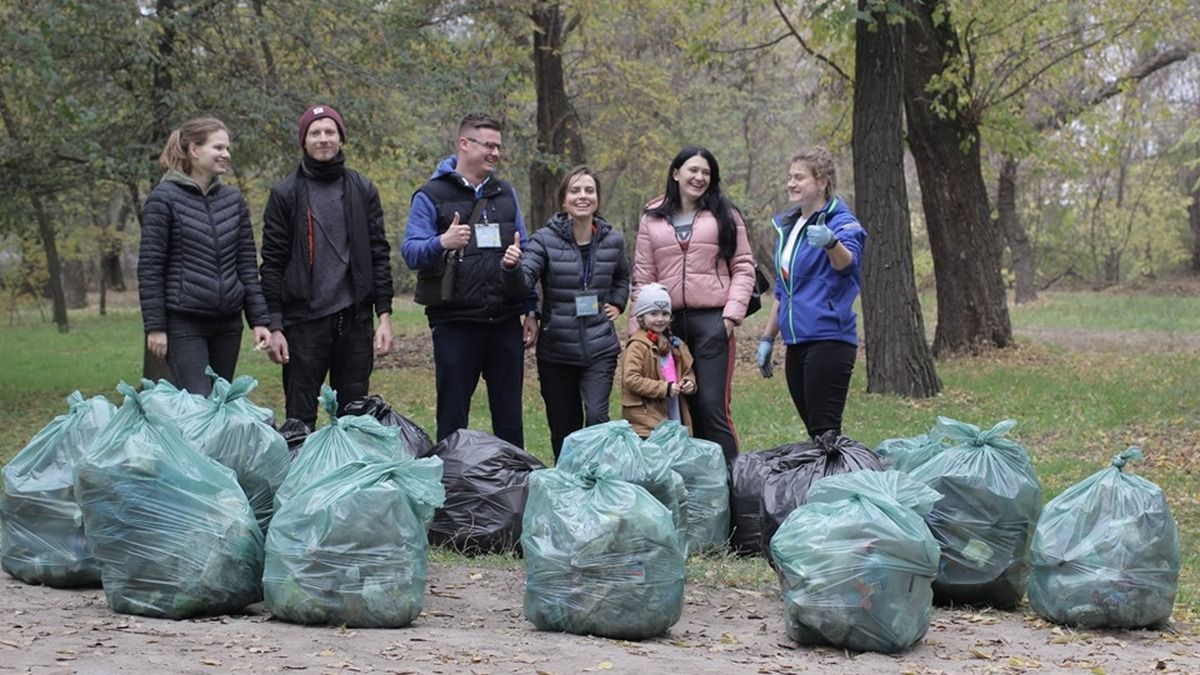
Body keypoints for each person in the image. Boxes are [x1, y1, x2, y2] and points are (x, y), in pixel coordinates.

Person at [402, 112, 537, 447]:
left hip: (504, 321)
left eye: (499, 147)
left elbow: (528, 249)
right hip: (455, 324)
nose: (495, 153)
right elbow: (410, 251)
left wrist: (531, 309)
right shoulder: (430, 194)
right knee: (452, 418)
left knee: (509, 419)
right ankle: (451, 490)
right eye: (488, 145)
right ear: (465, 144)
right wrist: (442, 242)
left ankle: (514, 487)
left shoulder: (506, 193)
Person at [259, 104, 394, 428]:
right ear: (304, 140)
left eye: (329, 132)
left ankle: (347, 479)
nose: (323, 139)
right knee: (300, 419)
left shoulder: (362, 189)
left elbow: (379, 253)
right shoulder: (285, 193)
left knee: (354, 419)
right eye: (315, 133)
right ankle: (299, 476)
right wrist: (275, 325)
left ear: (341, 138)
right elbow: (272, 262)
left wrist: (384, 317)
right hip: (303, 322)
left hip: (355, 322)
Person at [632, 146, 755, 464]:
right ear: (676, 173)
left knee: (711, 406)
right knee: (675, 407)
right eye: (693, 170)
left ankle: (730, 487)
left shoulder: (726, 214)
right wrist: (638, 334)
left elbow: (743, 267)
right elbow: (643, 277)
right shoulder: (652, 216)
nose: (699, 177)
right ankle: (693, 487)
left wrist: (729, 318)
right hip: (666, 328)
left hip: (713, 322)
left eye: (706, 172)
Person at [501, 166, 630, 459]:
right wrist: (511, 266)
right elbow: (522, 284)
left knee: (597, 417)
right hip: (556, 351)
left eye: (588, 190)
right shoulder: (545, 239)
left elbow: (623, 276)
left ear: (597, 198)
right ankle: (567, 485)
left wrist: (619, 301)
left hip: (600, 347)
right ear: (563, 200)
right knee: (564, 428)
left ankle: (598, 479)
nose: (582, 196)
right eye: (575, 190)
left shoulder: (613, 240)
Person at [138, 117, 271, 397]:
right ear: (194, 150)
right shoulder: (163, 199)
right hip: (185, 323)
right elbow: (151, 267)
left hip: (228, 324)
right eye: (218, 147)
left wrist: (259, 320)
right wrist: (156, 327)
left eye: (227, 148)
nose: (226, 154)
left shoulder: (233, 201)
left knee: (220, 402)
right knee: (197, 401)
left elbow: (247, 265)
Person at [756, 146, 866, 439]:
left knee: (826, 432)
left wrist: (832, 243)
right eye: (790, 177)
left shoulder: (841, 221)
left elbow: (848, 266)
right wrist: (768, 337)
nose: (791, 183)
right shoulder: (790, 226)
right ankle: (832, 480)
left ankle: (845, 481)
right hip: (797, 342)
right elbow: (784, 289)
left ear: (822, 182)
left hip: (829, 339)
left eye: (799, 177)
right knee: (817, 435)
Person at [621, 283, 697, 438]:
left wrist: (689, 383)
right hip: (647, 417)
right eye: (653, 314)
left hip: (673, 408)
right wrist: (664, 388)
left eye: (664, 314)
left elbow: (687, 371)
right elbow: (631, 379)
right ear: (641, 317)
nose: (660, 319)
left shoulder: (675, 344)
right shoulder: (637, 345)